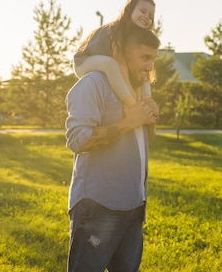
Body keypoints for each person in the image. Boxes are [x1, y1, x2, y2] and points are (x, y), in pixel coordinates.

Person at [65, 25, 161, 272]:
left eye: (153, 59)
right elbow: (79, 140)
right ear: (124, 54)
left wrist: (149, 119)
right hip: (98, 207)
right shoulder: (93, 83)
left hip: (134, 207)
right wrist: (131, 121)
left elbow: (141, 143)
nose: (150, 67)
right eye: (145, 58)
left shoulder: (136, 92)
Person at [73, 0, 156, 110]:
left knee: (143, 68)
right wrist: (131, 96)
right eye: (143, 11)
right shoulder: (117, 30)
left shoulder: (136, 37)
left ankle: (147, 103)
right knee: (110, 63)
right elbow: (119, 63)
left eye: (151, 16)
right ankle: (132, 106)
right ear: (129, 10)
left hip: (105, 62)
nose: (147, 17)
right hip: (83, 62)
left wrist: (143, 97)